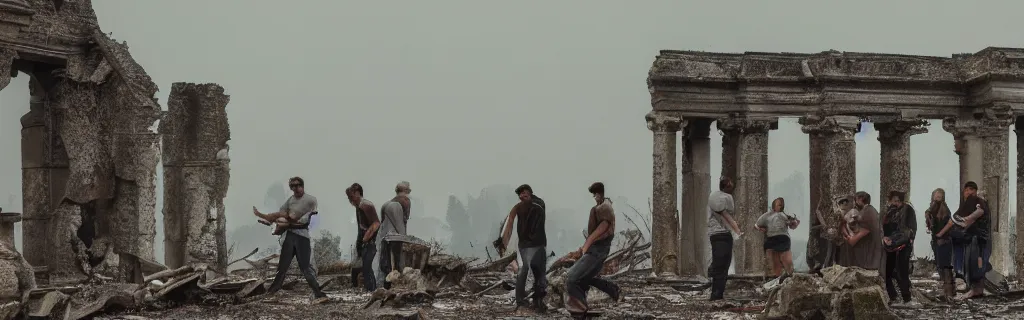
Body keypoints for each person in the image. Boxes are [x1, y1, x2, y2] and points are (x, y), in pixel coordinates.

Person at [251, 177, 328, 304]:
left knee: (305, 268)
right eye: (292, 186)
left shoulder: (310, 200)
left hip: (302, 236)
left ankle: (318, 292)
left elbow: (301, 218)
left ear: (302, 186)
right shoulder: (291, 200)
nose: (295, 189)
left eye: (297, 186)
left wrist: (286, 219)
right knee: (282, 267)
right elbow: (283, 211)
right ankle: (272, 291)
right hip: (290, 235)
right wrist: (283, 220)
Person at [565, 182, 622, 314]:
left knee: (572, 279)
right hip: (596, 250)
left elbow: (602, 228)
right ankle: (613, 290)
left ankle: (580, 310)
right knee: (584, 278)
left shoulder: (604, 208)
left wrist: (586, 246)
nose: (594, 197)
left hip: (597, 251)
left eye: (595, 194)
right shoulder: (601, 207)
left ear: (599, 193)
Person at [499, 184, 548, 313]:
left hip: (535, 244)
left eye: (524, 193)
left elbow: (510, 223)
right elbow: (510, 223)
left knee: (534, 272)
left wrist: (503, 242)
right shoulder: (521, 206)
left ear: (529, 193)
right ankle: (529, 301)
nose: (521, 196)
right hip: (529, 245)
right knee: (530, 271)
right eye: (520, 195)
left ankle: (533, 301)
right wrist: (503, 242)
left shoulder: (536, 205)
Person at [937, 181, 989, 299]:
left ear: (975, 191)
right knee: (968, 261)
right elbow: (953, 220)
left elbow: (979, 212)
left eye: (971, 189)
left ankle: (976, 289)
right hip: (970, 238)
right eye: (966, 190)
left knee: (977, 263)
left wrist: (967, 219)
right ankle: (965, 282)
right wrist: (940, 233)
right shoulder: (965, 205)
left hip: (979, 237)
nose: (969, 192)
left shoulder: (978, 201)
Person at [707, 176, 742, 301]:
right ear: (725, 186)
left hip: (726, 234)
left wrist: (734, 228)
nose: (731, 187)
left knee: (725, 265)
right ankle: (715, 290)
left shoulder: (728, 198)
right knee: (720, 262)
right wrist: (736, 229)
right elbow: (725, 215)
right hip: (718, 233)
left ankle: (718, 295)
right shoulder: (716, 197)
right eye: (729, 185)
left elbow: (730, 215)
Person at [882, 191, 917, 306]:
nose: (895, 203)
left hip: (903, 244)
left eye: (898, 200)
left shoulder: (908, 210)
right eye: (893, 200)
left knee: (902, 271)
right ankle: (893, 296)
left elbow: (911, 228)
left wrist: (907, 241)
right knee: (888, 271)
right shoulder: (889, 211)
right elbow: (885, 227)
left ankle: (906, 298)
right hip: (890, 245)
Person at [838, 192, 884, 275]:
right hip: (868, 249)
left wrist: (850, 239)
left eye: (855, 200)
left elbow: (864, 231)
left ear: (860, 199)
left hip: (868, 252)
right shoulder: (868, 210)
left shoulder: (867, 212)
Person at [377, 181, 412, 289]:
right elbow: (404, 220)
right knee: (397, 261)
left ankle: (386, 285)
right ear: (406, 191)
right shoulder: (405, 201)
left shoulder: (387, 203)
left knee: (386, 260)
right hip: (397, 236)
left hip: (385, 235)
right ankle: (396, 285)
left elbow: (382, 222)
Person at [754, 197, 799, 278]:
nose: (780, 206)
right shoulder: (767, 215)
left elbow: (793, 225)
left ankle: (789, 276)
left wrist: (795, 223)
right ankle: (775, 278)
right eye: (779, 204)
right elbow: (756, 225)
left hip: (783, 238)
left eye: (782, 205)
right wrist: (762, 229)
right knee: (774, 264)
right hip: (771, 239)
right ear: (774, 205)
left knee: (787, 262)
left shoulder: (785, 215)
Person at [348, 183, 380, 292]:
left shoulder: (366, 205)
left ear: (357, 193)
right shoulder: (359, 207)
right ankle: (363, 290)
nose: (349, 199)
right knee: (358, 269)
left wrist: (366, 238)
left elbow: (376, 223)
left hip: (370, 242)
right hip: (363, 242)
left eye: (351, 196)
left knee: (367, 268)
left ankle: (372, 291)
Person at [925, 188, 954, 300]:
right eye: (936, 196)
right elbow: (929, 217)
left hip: (943, 240)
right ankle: (946, 293)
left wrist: (940, 235)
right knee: (941, 266)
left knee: (945, 267)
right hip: (938, 240)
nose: (937, 198)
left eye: (939, 196)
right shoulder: (934, 208)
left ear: (942, 197)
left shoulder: (943, 209)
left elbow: (949, 224)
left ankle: (949, 294)